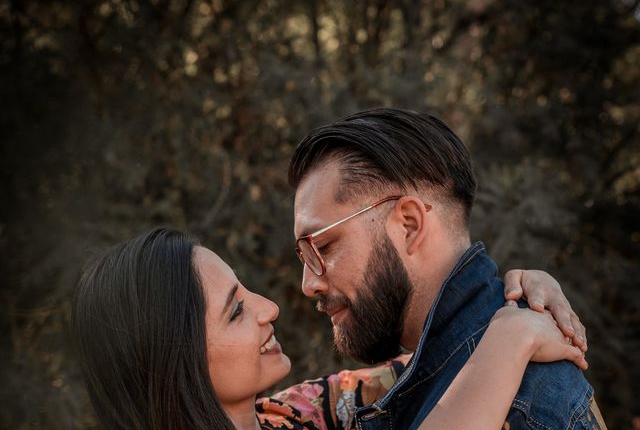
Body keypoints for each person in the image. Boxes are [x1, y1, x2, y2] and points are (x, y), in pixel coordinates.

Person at [73, 228, 589, 430]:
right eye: (235, 311)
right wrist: (511, 339)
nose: (270, 307)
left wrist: (519, 299)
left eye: (246, 289)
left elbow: (449, 363)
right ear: (173, 360)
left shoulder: (296, 413)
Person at [288, 108, 608, 429]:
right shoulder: (450, 366)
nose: (308, 284)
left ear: (409, 226)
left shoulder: (521, 402)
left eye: (322, 246)